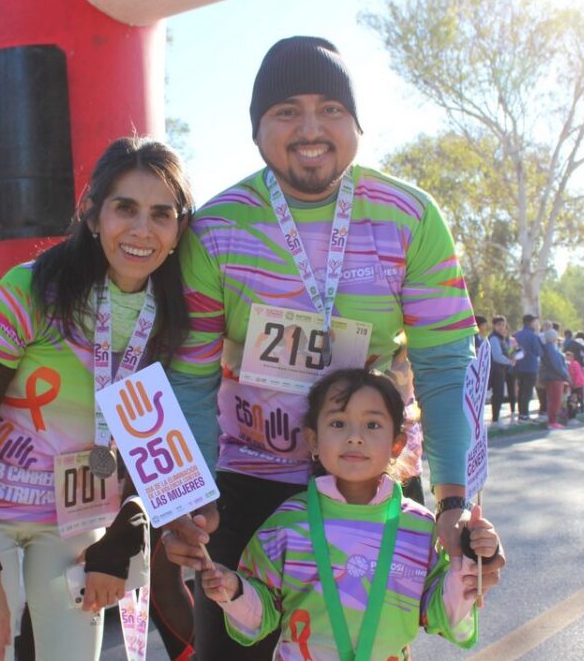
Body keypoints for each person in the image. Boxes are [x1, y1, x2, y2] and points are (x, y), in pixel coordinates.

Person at [161, 35, 501, 661]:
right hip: (245, 480)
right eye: (286, 110)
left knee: (366, 646)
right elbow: (190, 378)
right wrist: (192, 494)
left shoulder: (411, 217)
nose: (310, 128)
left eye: (331, 109)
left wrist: (453, 500)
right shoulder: (214, 228)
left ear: (357, 124)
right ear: (257, 128)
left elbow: (447, 367)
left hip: (367, 477)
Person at [0, 137, 193, 661]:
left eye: (160, 214)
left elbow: (155, 456)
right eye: (126, 208)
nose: (142, 230)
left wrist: (120, 541)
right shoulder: (28, 289)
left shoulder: (170, 318)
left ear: (177, 230)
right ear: (93, 215)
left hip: (76, 523)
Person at [200, 369, 502, 658]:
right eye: (338, 424)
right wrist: (235, 592)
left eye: (372, 425)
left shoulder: (420, 528)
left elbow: (442, 616)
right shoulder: (287, 523)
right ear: (314, 440)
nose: (354, 437)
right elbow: (262, 615)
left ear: (397, 444)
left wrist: (467, 567)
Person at [513, 314, 543, 421]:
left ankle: (521, 413)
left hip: (518, 367)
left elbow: (511, 350)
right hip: (530, 367)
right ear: (529, 323)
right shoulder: (534, 336)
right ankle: (525, 414)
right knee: (528, 392)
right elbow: (538, 352)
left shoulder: (516, 335)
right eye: (535, 322)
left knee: (520, 391)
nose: (536, 325)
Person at [539, 329, 571, 429]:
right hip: (555, 377)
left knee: (552, 399)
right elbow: (557, 365)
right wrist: (566, 375)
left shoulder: (549, 348)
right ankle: (552, 421)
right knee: (555, 400)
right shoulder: (551, 349)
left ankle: (552, 420)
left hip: (551, 377)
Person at [488, 316, 513, 425]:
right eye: (499, 325)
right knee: (498, 394)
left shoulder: (501, 338)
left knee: (500, 394)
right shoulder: (494, 338)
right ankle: (495, 419)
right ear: (494, 326)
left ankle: (496, 417)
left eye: (503, 324)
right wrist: (510, 361)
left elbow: (507, 351)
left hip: (501, 369)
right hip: (496, 370)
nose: (501, 327)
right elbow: (497, 356)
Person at [565, 350, 584, 415]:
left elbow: (578, 374)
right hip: (572, 383)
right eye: (566, 357)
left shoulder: (575, 364)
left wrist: (576, 383)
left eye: (568, 357)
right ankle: (575, 408)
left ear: (572, 357)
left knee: (580, 396)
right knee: (573, 396)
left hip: (578, 383)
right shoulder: (567, 364)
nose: (567, 358)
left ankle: (582, 407)